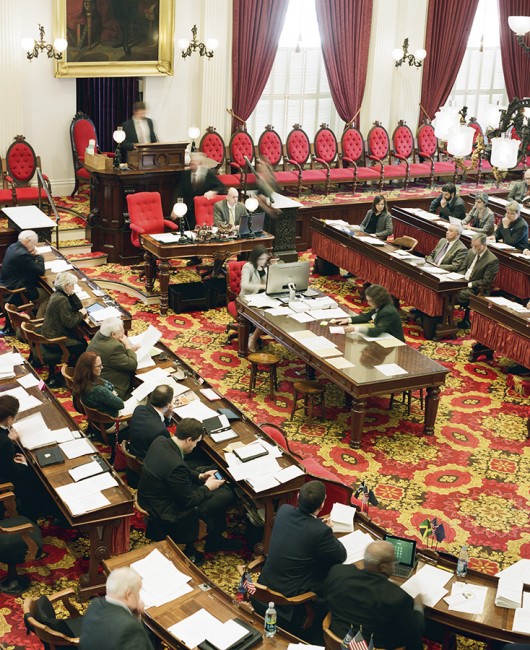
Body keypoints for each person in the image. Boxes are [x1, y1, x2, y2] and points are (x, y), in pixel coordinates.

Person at [138, 418, 239, 566]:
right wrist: (207, 487)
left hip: (149, 496)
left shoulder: (161, 440)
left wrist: (199, 477)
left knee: (213, 485)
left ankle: (215, 533)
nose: (196, 446)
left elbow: (179, 470)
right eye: (196, 442)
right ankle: (214, 537)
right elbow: (187, 501)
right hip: (166, 510)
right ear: (189, 439)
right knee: (226, 494)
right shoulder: (176, 466)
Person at [255, 481, 346, 637]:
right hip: (288, 604)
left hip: (262, 588)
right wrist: (328, 531)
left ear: (298, 497)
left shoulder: (284, 511)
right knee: (331, 574)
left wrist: (318, 526)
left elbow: (299, 526)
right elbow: (341, 555)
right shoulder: (321, 532)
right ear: (322, 504)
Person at [325, 540, 424, 650]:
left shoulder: (337, 572)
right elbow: (413, 633)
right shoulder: (397, 597)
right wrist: (418, 606)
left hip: (339, 640)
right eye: (394, 561)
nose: (395, 563)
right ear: (383, 567)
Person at [79, 567, 154, 650]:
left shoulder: (95, 604)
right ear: (128, 594)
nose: (139, 597)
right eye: (137, 592)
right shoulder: (130, 629)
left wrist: (136, 615)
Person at [0, 395, 40, 519]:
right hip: (4, 481)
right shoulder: (5, 442)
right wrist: (23, 465)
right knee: (35, 477)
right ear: (10, 419)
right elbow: (11, 472)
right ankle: (30, 515)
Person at [0, 231, 46, 334]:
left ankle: (35, 311)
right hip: (16, 291)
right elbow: (40, 270)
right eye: (33, 244)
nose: (34, 247)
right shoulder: (22, 254)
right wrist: (39, 257)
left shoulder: (13, 247)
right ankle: (37, 327)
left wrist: (31, 255)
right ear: (28, 241)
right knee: (48, 296)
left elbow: (26, 263)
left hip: (7, 285)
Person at [40, 271, 87, 368]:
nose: (73, 287)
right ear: (65, 286)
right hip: (55, 338)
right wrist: (81, 314)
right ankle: (72, 368)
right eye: (72, 285)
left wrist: (72, 293)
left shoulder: (58, 293)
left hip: (49, 331)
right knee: (83, 346)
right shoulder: (62, 300)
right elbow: (69, 323)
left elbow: (78, 306)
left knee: (80, 339)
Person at [171, 151, 225, 231]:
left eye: (194, 161)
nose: (192, 163)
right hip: (187, 212)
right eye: (191, 161)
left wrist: (213, 191)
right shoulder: (185, 174)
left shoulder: (208, 174)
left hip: (202, 213)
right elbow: (179, 191)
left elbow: (221, 187)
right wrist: (176, 207)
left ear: (200, 163)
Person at [87, 317, 139, 399]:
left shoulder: (99, 334)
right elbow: (132, 365)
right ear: (113, 334)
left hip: (95, 380)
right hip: (113, 388)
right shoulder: (114, 347)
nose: (124, 334)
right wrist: (128, 346)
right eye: (122, 331)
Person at [456, 233, 499, 328]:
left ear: (484, 245)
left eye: (476, 246)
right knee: (444, 288)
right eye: (472, 245)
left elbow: (486, 281)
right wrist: (458, 279)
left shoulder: (492, 260)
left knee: (454, 294)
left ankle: (446, 321)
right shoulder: (471, 252)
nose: (473, 248)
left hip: (475, 288)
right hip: (462, 282)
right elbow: (463, 268)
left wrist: (469, 284)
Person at [335, 284, 405, 342]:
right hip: (384, 335)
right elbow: (367, 316)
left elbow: (375, 332)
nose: (368, 303)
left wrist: (355, 329)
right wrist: (348, 320)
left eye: (370, 301)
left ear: (378, 300)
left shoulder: (387, 312)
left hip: (394, 341)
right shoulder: (382, 304)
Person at [72, 352, 124, 418]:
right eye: (99, 366)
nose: (102, 367)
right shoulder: (98, 390)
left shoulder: (82, 381)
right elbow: (120, 405)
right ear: (88, 369)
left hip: (97, 420)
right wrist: (112, 394)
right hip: (111, 421)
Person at [128, 384, 174, 458]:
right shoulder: (161, 431)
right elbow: (167, 452)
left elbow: (157, 423)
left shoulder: (139, 409)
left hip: (133, 451)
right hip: (146, 461)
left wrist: (167, 416)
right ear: (168, 405)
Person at [240, 244, 269, 353]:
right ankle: (253, 338)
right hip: (247, 299)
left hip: (261, 297)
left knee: (272, 313)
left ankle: (255, 334)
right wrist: (261, 286)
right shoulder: (248, 267)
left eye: (264, 259)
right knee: (264, 316)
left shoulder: (263, 268)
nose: (263, 262)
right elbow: (244, 285)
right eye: (260, 259)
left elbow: (268, 282)